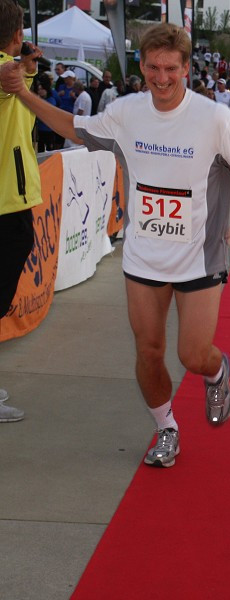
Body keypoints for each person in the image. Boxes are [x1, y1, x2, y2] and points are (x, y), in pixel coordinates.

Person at [2, 22, 230, 468]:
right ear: (141, 67)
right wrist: (25, 95)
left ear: (187, 68)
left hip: (198, 259)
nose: (161, 77)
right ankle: (166, 428)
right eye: (152, 68)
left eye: (170, 68)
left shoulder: (216, 119)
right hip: (144, 255)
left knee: (192, 354)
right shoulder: (126, 113)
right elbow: (72, 126)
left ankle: (217, 371)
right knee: (148, 351)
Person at [0, 0, 44, 423]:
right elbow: (5, 80)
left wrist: (24, 67)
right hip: (6, 204)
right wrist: (16, 68)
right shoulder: (4, 71)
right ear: (16, 35)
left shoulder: (12, 68)